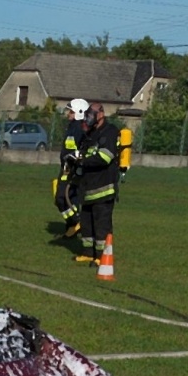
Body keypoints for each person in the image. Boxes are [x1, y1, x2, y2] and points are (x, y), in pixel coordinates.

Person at [72, 102, 122, 267]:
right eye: (88, 114)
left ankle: (101, 256)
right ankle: (87, 253)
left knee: (101, 225)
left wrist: (83, 161)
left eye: (92, 113)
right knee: (86, 224)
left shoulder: (110, 132)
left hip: (103, 188)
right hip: (87, 188)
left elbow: (105, 157)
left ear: (101, 114)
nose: (89, 117)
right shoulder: (91, 134)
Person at [55, 97, 89, 237]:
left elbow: (86, 148)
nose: (68, 113)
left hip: (74, 168)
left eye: (71, 111)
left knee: (63, 197)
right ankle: (72, 224)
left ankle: (76, 221)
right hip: (67, 166)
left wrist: (78, 156)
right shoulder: (72, 127)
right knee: (62, 198)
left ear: (79, 112)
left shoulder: (82, 128)